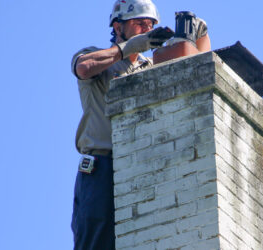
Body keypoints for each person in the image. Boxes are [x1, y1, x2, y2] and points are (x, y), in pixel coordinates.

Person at [70, 0, 210, 249]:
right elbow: (83, 68)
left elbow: (194, 70)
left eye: (150, 24)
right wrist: (127, 49)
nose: (146, 29)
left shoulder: (150, 67)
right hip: (101, 165)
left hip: (137, 162)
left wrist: (199, 37)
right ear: (118, 26)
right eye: (138, 23)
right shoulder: (98, 56)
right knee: (97, 239)